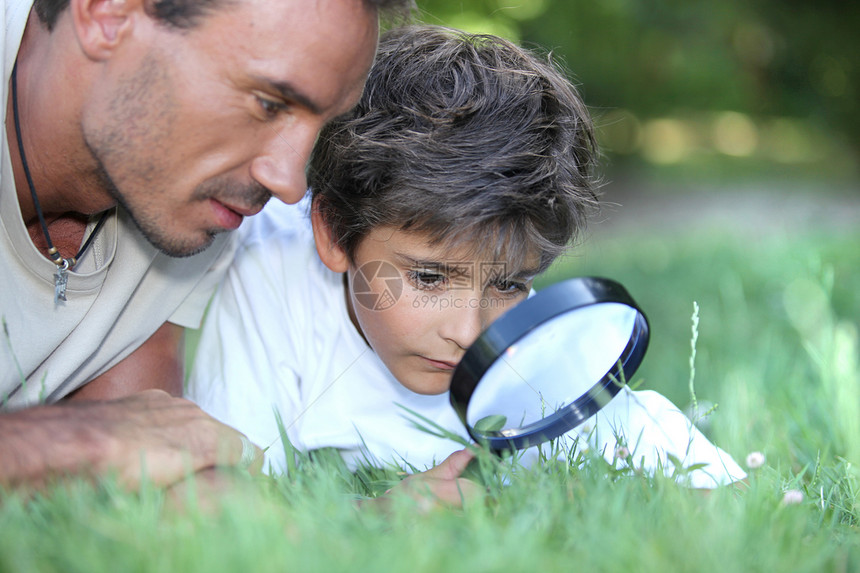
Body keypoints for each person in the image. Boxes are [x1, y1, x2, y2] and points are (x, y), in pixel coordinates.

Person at [187, 26, 746, 493]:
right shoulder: (267, 278)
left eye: (508, 284)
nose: (468, 332)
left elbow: (699, 474)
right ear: (333, 233)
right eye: (429, 277)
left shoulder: (531, 362)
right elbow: (226, 500)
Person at [0, 0, 410, 491]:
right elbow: (99, 442)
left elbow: (150, 480)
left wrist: (367, 531)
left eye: (320, 128)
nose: (289, 183)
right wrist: (67, 442)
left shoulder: (183, 204)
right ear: (107, 14)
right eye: (269, 104)